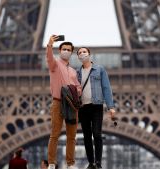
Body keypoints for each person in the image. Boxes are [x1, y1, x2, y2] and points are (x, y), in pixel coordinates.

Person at [76, 47, 115, 169]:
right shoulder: (77, 73)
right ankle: (91, 163)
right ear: (78, 57)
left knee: (97, 134)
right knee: (87, 136)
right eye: (80, 53)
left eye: (84, 52)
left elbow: (106, 88)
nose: (82, 54)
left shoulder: (99, 69)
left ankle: (98, 162)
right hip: (83, 107)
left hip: (97, 105)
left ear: (89, 54)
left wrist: (111, 107)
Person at [46, 35, 81, 169]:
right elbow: (49, 58)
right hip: (58, 102)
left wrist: (77, 92)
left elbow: (78, 86)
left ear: (71, 53)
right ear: (60, 50)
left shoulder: (73, 71)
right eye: (64, 49)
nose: (66, 51)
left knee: (71, 136)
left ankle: (70, 163)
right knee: (54, 134)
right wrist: (50, 44)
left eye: (68, 49)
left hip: (71, 104)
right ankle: (51, 163)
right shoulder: (54, 65)